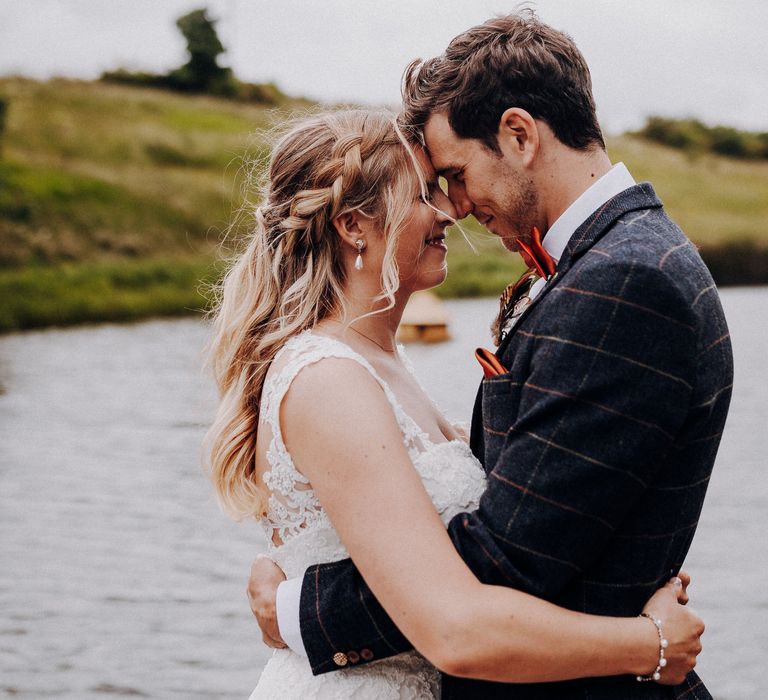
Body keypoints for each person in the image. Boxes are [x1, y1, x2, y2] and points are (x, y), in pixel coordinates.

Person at [246, 11, 733, 700]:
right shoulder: (611, 263)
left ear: (519, 134)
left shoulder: (624, 281)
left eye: (454, 174)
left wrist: (300, 608)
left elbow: (504, 565)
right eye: (431, 189)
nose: (454, 206)